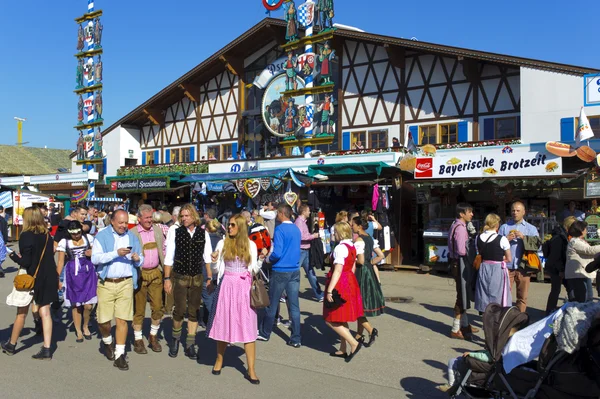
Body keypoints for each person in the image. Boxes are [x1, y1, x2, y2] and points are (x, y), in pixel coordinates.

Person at [207, 214, 263, 384]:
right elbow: (217, 270)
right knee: (224, 324)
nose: (228, 227)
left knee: (248, 328)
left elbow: (253, 270)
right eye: (228, 225)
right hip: (227, 286)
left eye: (232, 225)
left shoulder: (251, 245)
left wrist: (261, 259)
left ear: (240, 227)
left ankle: (251, 369)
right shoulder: (223, 243)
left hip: (244, 288)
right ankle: (219, 360)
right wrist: (214, 261)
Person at [2, 207, 58, 359]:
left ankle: (11, 344)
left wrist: (12, 255)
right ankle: (47, 348)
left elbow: (26, 261)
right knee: (45, 312)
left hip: (31, 277)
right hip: (48, 275)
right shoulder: (46, 234)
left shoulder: (26, 235)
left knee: (21, 313)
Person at [91, 209, 143, 370]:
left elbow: (141, 259)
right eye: (120, 222)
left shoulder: (132, 237)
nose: (123, 225)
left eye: (125, 222)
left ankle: (120, 355)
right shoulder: (102, 236)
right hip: (106, 283)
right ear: (112, 221)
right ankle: (107, 341)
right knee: (104, 321)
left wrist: (137, 258)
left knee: (122, 319)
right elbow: (95, 258)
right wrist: (115, 253)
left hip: (125, 282)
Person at [163, 204, 206, 360]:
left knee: (194, 311)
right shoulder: (175, 232)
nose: (183, 218)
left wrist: (210, 278)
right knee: (179, 310)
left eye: (187, 216)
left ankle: (190, 343)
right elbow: (169, 257)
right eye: (182, 216)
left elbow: (207, 257)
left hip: (197, 277)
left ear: (194, 216)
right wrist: (167, 279)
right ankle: (174, 341)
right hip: (180, 276)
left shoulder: (203, 233)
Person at [258, 204, 302, 348]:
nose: (277, 216)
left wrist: (267, 259)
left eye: (278, 213)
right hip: (294, 270)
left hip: (281, 270)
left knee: (272, 303)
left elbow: (277, 252)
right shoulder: (296, 229)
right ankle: (296, 338)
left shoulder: (280, 229)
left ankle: (265, 333)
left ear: (282, 214)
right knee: (294, 305)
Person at [323, 222, 364, 362]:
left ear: (340, 233)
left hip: (340, 282)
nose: (333, 235)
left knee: (330, 318)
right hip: (349, 280)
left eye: (334, 233)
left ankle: (353, 343)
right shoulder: (351, 245)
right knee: (341, 317)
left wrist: (329, 290)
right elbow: (352, 266)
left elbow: (338, 270)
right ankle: (342, 348)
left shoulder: (340, 248)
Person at [129, 205, 167, 354]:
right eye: (146, 218)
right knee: (139, 310)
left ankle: (153, 336)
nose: (149, 220)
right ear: (139, 219)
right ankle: (138, 340)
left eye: (151, 217)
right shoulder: (132, 233)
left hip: (155, 273)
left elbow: (163, 249)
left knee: (158, 307)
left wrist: (165, 271)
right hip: (140, 274)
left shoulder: (157, 230)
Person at [55, 221, 97, 342]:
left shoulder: (88, 238)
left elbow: (97, 254)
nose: (77, 235)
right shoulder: (64, 242)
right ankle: (78, 330)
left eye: (79, 232)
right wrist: (58, 278)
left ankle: (85, 325)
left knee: (88, 305)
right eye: (74, 234)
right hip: (73, 273)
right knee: (76, 304)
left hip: (88, 271)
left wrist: (92, 253)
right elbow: (60, 262)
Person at [498, 201, 540, 313]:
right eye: (513, 210)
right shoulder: (504, 227)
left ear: (524, 212)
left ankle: (519, 320)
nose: (515, 213)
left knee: (522, 297)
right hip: (507, 267)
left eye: (518, 211)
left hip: (523, 267)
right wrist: (505, 239)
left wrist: (524, 237)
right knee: (504, 296)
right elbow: (496, 245)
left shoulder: (531, 228)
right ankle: (505, 319)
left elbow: (537, 245)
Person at [352, 216, 385, 346]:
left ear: (359, 226)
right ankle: (359, 335)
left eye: (353, 224)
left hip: (361, 273)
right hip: (369, 271)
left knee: (357, 306)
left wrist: (353, 260)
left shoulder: (359, 239)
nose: (351, 226)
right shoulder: (370, 238)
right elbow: (381, 256)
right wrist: (370, 263)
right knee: (361, 305)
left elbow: (360, 260)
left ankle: (371, 330)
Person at [447, 203, 478, 340]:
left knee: (464, 294)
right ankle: (455, 328)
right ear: (462, 214)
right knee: (462, 296)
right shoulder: (460, 229)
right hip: (460, 264)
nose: (472, 214)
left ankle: (465, 325)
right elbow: (461, 250)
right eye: (469, 212)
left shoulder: (457, 225)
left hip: (457, 263)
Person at [474, 214, 512, 313]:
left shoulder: (478, 237)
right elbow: (509, 258)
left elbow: (479, 253)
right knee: (497, 294)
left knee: (484, 293)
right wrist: (501, 257)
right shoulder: (502, 239)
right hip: (497, 268)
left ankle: (484, 315)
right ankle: (496, 317)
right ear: (497, 225)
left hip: (483, 267)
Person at [544, 216, 576, 314]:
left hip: (560, 267)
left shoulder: (563, 235)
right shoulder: (559, 237)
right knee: (556, 290)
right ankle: (550, 312)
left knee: (570, 289)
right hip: (556, 268)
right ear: (569, 226)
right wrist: (561, 270)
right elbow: (556, 256)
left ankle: (572, 310)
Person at [565, 220, 599, 303]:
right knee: (582, 299)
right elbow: (589, 250)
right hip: (577, 275)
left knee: (588, 298)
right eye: (585, 229)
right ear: (580, 230)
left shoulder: (580, 241)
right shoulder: (574, 241)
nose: (586, 231)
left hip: (583, 273)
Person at [295, 204, 323, 302]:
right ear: (303, 212)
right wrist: (313, 236)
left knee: (311, 272)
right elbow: (301, 237)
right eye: (308, 211)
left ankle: (319, 294)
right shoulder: (299, 222)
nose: (309, 212)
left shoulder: (303, 222)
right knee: (294, 273)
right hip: (300, 251)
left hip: (306, 251)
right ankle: (286, 293)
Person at [201, 218, 224, 327]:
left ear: (206, 229)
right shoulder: (221, 241)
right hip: (218, 274)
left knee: (209, 301)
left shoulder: (203, 241)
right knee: (213, 299)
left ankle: (216, 324)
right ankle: (206, 320)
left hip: (206, 273)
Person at [163, 206, 181, 317]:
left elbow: (167, 246)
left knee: (170, 284)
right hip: (182, 261)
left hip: (173, 261)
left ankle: (168, 307)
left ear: (174, 216)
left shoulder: (172, 228)